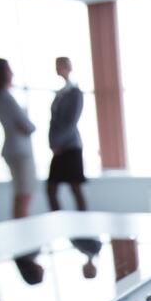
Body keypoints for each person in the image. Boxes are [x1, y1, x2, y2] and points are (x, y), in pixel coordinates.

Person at [0, 58, 36, 219]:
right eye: (8, 70)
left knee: (20, 193)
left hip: (12, 149)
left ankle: (21, 228)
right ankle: (23, 229)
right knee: (24, 195)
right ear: (1, 73)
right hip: (20, 150)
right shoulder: (5, 97)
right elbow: (28, 126)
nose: (12, 73)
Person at [48, 57, 86, 212]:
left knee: (75, 188)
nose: (57, 68)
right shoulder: (61, 93)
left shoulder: (75, 92)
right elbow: (54, 121)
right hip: (58, 147)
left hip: (70, 146)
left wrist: (57, 143)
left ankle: (84, 221)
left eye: (60, 65)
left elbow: (71, 121)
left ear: (67, 67)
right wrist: (52, 143)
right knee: (51, 189)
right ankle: (59, 219)